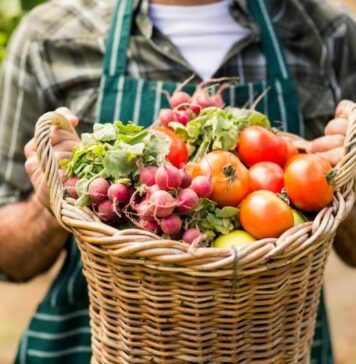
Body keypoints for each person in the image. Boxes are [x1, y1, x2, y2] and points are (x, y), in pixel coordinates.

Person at [0, 0, 355, 362]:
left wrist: (346, 179)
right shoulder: (48, 36)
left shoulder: (331, 33)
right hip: (95, 343)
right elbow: (8, 258)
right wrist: (53, 201)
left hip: (273, 342)